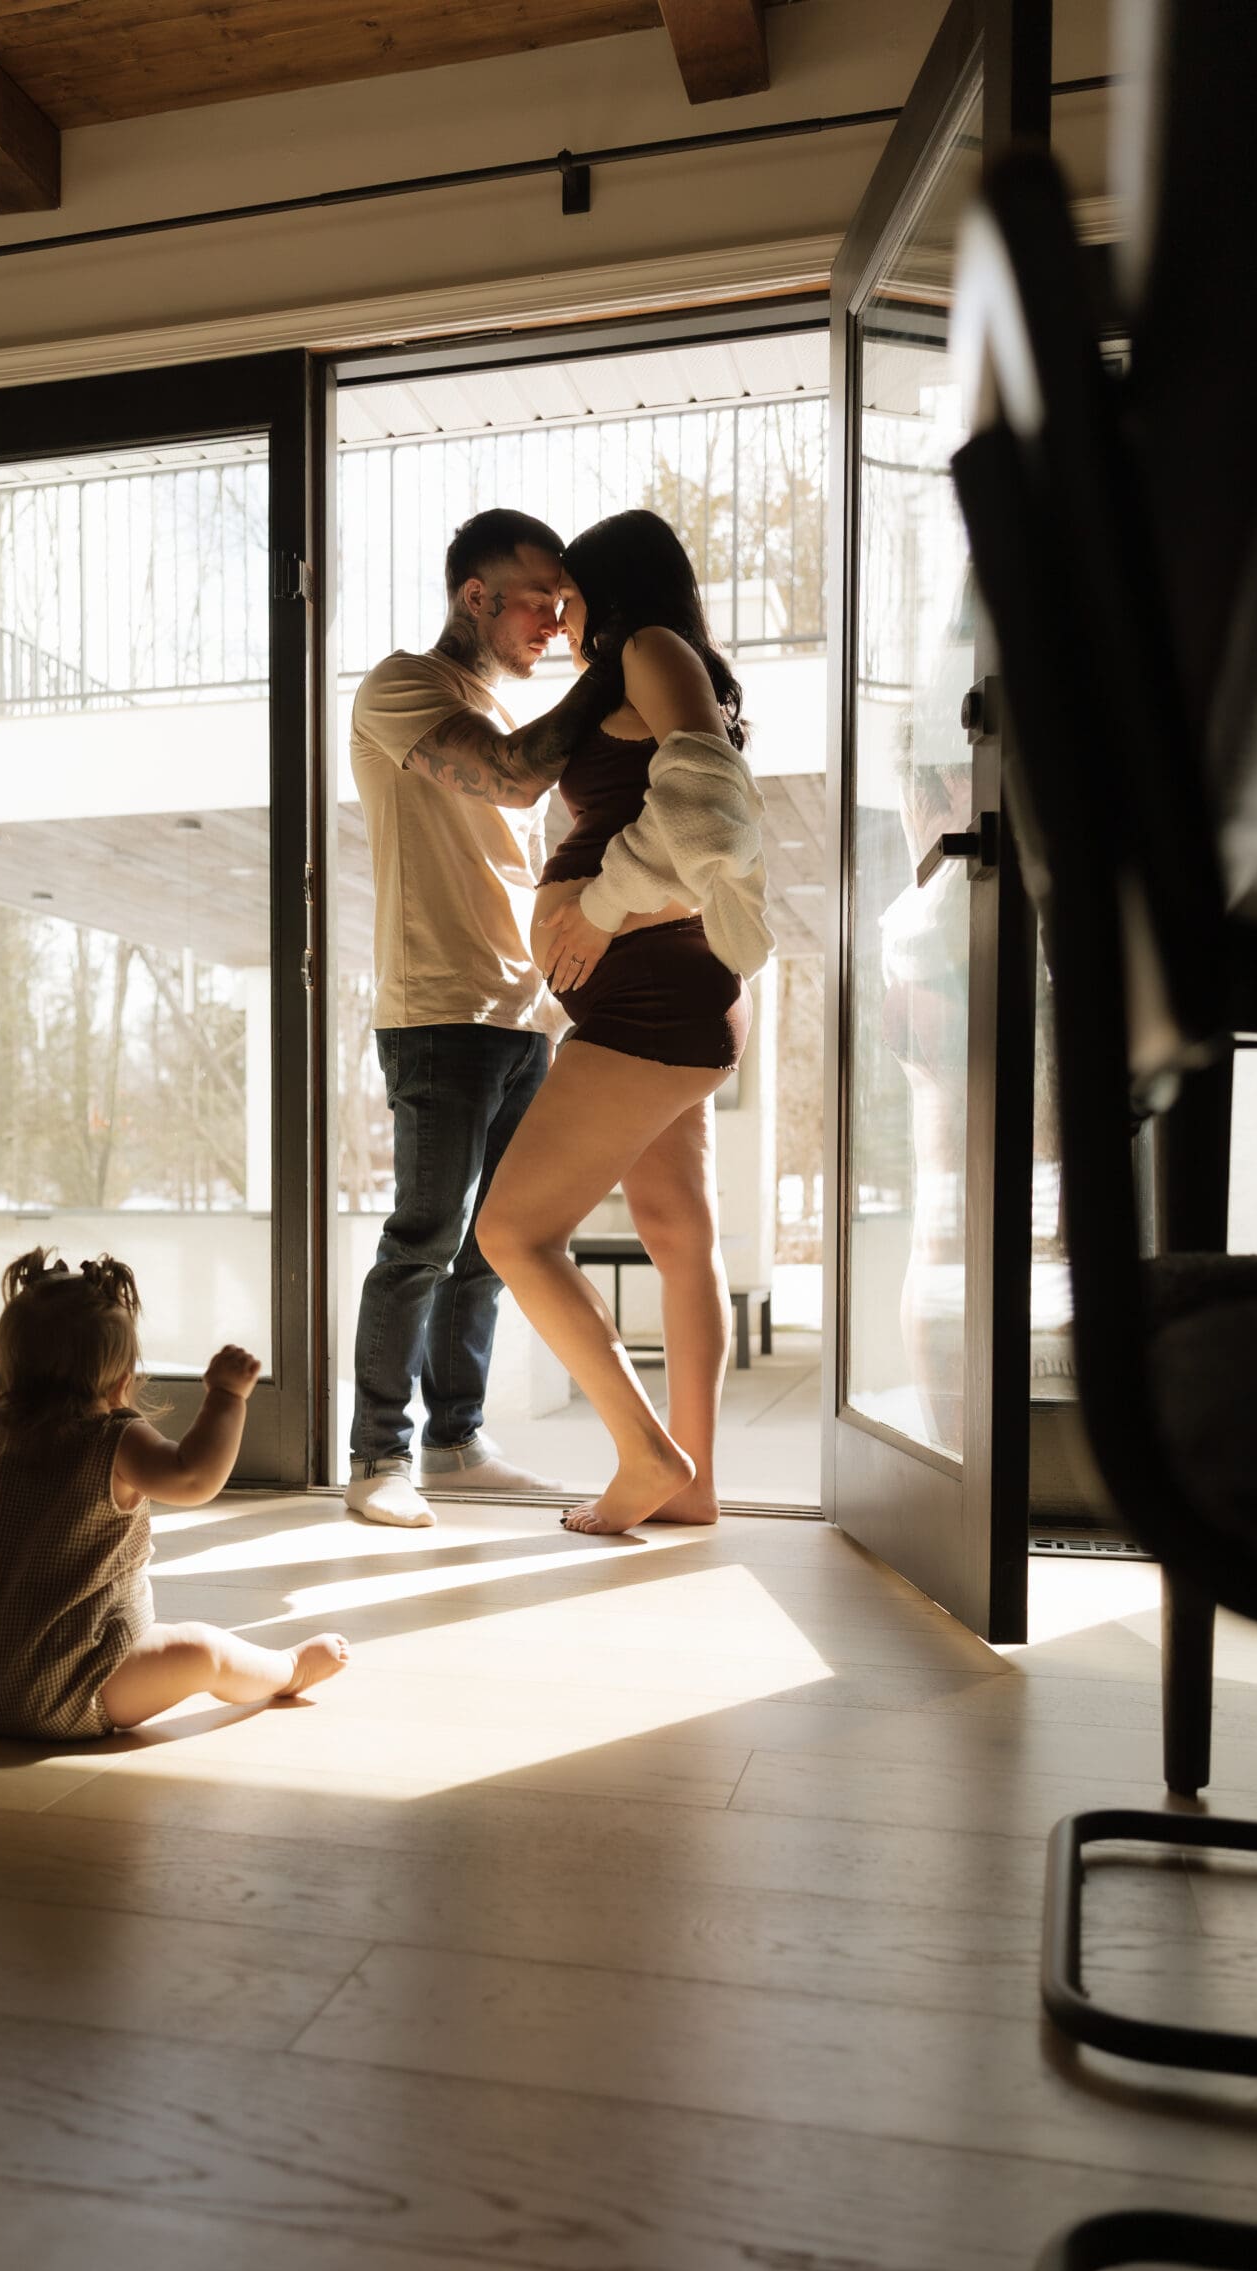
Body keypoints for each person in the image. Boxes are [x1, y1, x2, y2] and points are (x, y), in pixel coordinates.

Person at [474, 509, 774, 1536]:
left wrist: (596, 914)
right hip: (658, 994)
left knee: (511, 1230)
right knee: (677, 1230)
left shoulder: (651, 647)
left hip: (653, 994)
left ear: (617, 587)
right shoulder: (650, 662)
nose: (561, 619)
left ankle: (648, 1452)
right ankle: (692, 1484)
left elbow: (713, 814)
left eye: (571, 595)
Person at [345, 506, 621, 1528]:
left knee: (490, 1243)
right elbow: (508, 778)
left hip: (519, 1011)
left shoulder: (508, 706)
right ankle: (378, 1455)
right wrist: (622, 662)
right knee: (423, 1233)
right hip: (438, 1009)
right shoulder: (404, 686)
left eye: (566, 605)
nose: (557, 622)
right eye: (542, 602)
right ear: (476, 596)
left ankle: (457, 1441)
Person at [0, 1249, 349, 1739]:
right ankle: (288, 1668)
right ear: (122, 1377)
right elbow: (193, 1479)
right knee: (203, 1650)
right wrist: (226, 1400)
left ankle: (285, 1667)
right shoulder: (113, 1439)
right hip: (71, 1692)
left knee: (185, 1647)